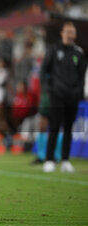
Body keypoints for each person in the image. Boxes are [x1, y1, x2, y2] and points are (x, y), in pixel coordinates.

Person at [42, 22, 87, 173]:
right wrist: (48, 89)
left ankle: (65, 161)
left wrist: (79, 92)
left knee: (68, 128)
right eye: (67, 31)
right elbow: (44, 71)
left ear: (74, 35)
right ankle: (49, 160)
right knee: (54, 127)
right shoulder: (54, 50)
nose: (69, 34)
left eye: (72, 32)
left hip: (72, 96)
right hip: (57, 95)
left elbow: (82, 76)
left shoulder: (78, 52)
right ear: (62, 33)